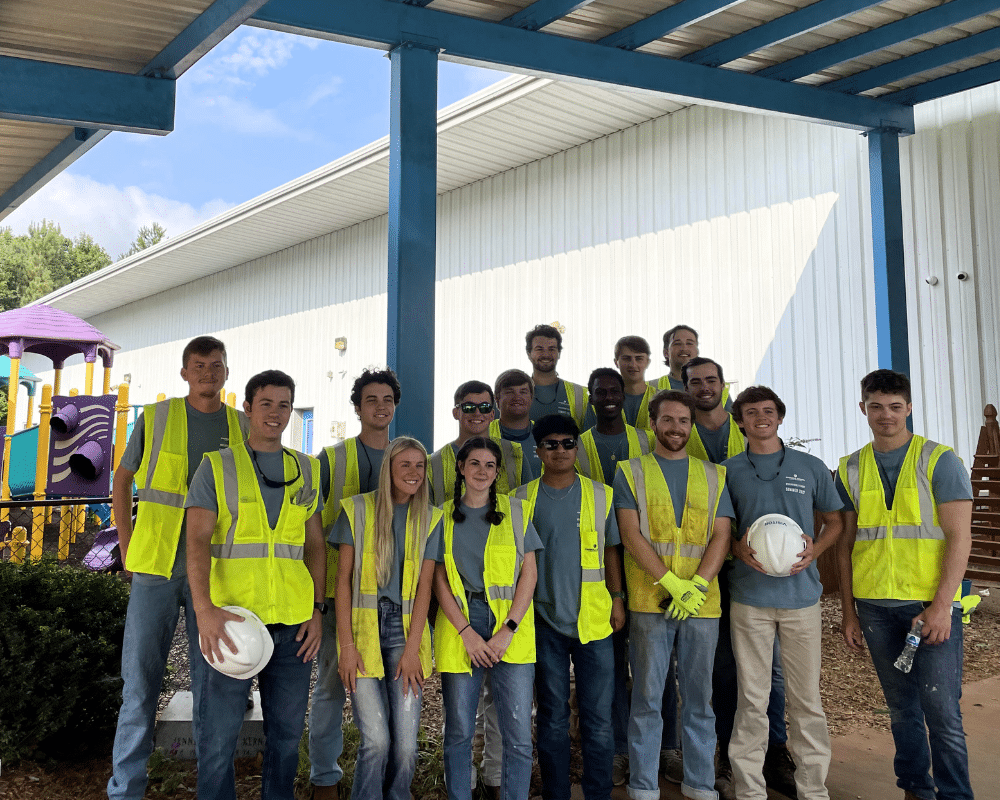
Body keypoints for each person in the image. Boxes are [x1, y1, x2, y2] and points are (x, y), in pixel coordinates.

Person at [107, 335, 247, 800]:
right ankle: (126, 789)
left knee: (213, 688)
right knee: (140, 683)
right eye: (200, 365)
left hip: (214, 570)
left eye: (217, 365)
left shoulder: (243, 425)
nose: (209, 372)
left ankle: (213, 791)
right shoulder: (157, 417)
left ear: (227, 373)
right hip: (156, 568)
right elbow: (123, 479)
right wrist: (126, 546)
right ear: (184, 371)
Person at [185, 370, 325, 800]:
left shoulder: (308, 469)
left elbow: (316, 546)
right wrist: (204, 611)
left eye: (284, 404)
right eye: (266, 404)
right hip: (232, 625)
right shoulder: (216, 467)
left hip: (293, 627)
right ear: (246, 408)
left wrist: (317, 611)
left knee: (285, 740)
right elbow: (196, 541)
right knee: (217, 740)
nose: (276, 413)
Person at [837, 369, 973, 800]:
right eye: (875, 406)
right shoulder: (850, 467)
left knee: (942, 712)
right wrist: (848, 612)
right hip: (875, 605)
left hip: (928, 604)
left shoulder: (940, 460)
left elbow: (959, 537)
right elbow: (844, 546)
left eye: (895, 407)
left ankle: (955, 795)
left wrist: (941, 606)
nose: (886, 415)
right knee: (901, 709)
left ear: (909, 408)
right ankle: (916, 788)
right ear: (863, 408)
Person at [613, 389, 734, 800]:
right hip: (650, 601)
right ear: (653, 423)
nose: (676, 428)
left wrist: (697, 585)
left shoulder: (714, 474)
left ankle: (700, 783)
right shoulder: (630, 471)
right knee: (647, 697)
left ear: (692, 424)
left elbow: (722, 533)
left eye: (684, 420)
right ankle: (643, 785)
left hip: (702, 604)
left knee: (700, 699)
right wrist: (672, 583)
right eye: (668, 420)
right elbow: (630, 534)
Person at [723, 386, 843, 800]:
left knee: (806, 699)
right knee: (752, 699)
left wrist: (816, 552)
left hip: (801, 599)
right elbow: (720, 530)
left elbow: (835, 521)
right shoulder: (728, 470)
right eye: (751, 412)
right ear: (739, 420)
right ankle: (750, 789)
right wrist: (737, 547)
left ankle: (813, 789)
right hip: (749, 599)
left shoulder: (809, 466)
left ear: (779, 416)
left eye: (768, 410)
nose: (761, 417)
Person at [682, 356, 793, 800]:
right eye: (695, 382)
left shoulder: (745, 428)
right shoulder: (680, 431)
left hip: (758, 573)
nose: (704, 387)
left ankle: (776, 753)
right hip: (706, 572)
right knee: (724, 670)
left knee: (773, 670)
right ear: (684, 386)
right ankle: (731, 759)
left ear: (724, 387)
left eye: (711, 380)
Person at [513, 414, 625, 800]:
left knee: (598, 721)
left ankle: (597, 793)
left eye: (566, 443)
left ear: (576, 447)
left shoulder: (600, 494)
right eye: (550, 444)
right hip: (542, 622)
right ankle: (556, 793)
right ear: (538, 451)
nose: (559, 450)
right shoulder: (520, 499)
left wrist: (618, 599)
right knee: (552, 718)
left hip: (594, 621)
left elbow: (611, 551)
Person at [331, 436, 444, 800]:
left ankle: (398, 794)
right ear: (388, 470)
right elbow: (343, 583)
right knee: (376, 740)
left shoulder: (431, 517)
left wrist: (413, 650)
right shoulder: (357, 510)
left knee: (406, 746)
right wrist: (346, 646)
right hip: (362, 632)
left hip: (406, 632)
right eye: (404, 465)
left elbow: (425, 588)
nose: (413, 473)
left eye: (420, 465)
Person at [310, 367, 401, 800]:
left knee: (388, 689)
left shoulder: (407, 458)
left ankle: (383, 773)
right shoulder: (332, 459)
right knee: (330, 686)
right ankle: (324, 778)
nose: (380, 407)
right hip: (339, 592)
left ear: (395, 406)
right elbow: (311, 527)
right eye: (371, 400)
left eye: (387, 399)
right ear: (357, 407)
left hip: (392, 599)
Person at [434, 437, 542, 800]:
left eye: (490, 465)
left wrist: (507, 630)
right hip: (460, 625)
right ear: (461, 468)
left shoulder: (516, 512)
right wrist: (466, 632)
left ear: (497, 473)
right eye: (474, 463)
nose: (482, 471)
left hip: (510, 627)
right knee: (460, 731)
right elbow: (438, 580)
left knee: (517, 732)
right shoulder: (441, 516)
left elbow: (529, 574)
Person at [429, 380, 529, 505]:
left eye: (484, 408)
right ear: (456, 413)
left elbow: (527, 508)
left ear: (492, 414)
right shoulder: (433, 463)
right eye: (469, 407)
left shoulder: (515, 455)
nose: (477, 413)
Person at [576, 368, 654, 486]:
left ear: (623, 396)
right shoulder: (577, 446)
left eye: (614, 391)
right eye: (601, 392)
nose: (609, 397)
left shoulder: (649, 440)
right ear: (591, 399)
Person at [525, 323, 589, 430]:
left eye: (552, 349)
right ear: (529, 353)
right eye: (539, 349)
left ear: (559, 353)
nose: (546, 354)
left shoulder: (581, 394)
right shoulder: (515, 395)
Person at [656, 325, 731, 411]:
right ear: (666, 353)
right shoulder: (651, 388)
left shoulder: (720, 390)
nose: (684, 348)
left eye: (689, 343)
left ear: (697, 351)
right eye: (677, 343)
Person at [491, 369, 539, 478]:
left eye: (523, 392)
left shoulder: (545, 435)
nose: (517, 397)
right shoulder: (483, 434)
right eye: (509, 392)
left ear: (531, 398)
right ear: (497, 399)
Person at [614, 335, 657, 430]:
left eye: (639, 358)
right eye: (626, 358)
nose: (633, 365)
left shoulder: (662, 399)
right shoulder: (603, 399)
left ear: (647, 362)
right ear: (616, 362)